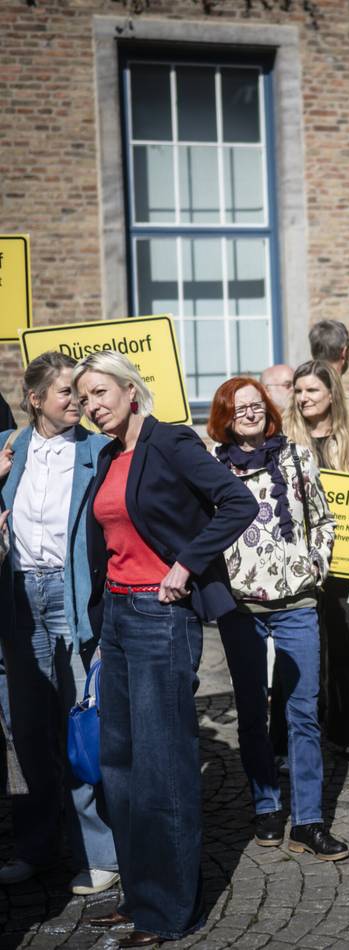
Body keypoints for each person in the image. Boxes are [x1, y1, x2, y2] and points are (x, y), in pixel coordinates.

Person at [75, 351, 257, 947]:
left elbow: (239, 503)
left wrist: (186, 562)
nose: (92, 405)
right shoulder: (107, 456)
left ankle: (173, 911)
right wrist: (103, 627)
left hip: (162, 617)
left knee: (163, 768)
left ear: (131, 391)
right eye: (83, 398)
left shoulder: (171, 442)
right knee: (120, 768)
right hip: (121, 620)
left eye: (101, 392)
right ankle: (141, 897)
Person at [209, 378, 349, 861]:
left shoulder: (295, 458)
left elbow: (324, 520)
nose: (249, 413)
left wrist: (316, 564)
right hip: (240, 607)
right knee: (251, 711)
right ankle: (267, 806)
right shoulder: (212, 466)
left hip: (296, 603)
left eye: (256, 405)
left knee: (303, 713)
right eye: (238, 407)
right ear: (224, 415)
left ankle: (308, 820)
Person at [0, 352, 118, 893]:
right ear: (36, 400)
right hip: (20, 598)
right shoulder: (11, 450)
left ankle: (99, 854)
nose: (79, 401)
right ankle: (37, 847)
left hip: (72, 598)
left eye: (81, 392)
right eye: (67, 392)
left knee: (78, 729)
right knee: (28, 731)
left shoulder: (99, 452)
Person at [283, 360, 349, 763]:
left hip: (344, 554)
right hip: (297, 555)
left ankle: (346, 730)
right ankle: (292, 741)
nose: (304, 398)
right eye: (299, 391)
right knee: (301, 648)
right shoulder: (285, 436)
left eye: (312, 391)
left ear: (331, 394)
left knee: (342, 645)